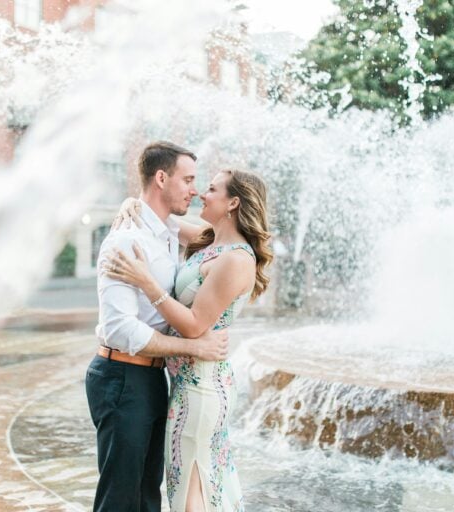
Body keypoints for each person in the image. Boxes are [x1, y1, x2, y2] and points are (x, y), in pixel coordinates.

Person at [106, 168, 273, 512]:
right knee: (192, 482)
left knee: (192, 489)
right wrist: (130, 202)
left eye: (211, 189)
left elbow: (195, 325)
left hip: (203, 386)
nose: (201, 194)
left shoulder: (236, 259)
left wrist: (146, 282)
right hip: (187, 381)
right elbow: (156, 217)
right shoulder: (212, 242)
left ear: (233, 203)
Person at [86, 141, 230, 512]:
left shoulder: (166, 232)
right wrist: (194, 347)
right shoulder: (126, 239)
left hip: (151, 378)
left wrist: (134, 202)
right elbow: (121, 330)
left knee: (148, 497)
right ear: (161, 178)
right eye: (188, 180)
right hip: (121, 376)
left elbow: (222, 238)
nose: (194, 190)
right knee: (120, 499)